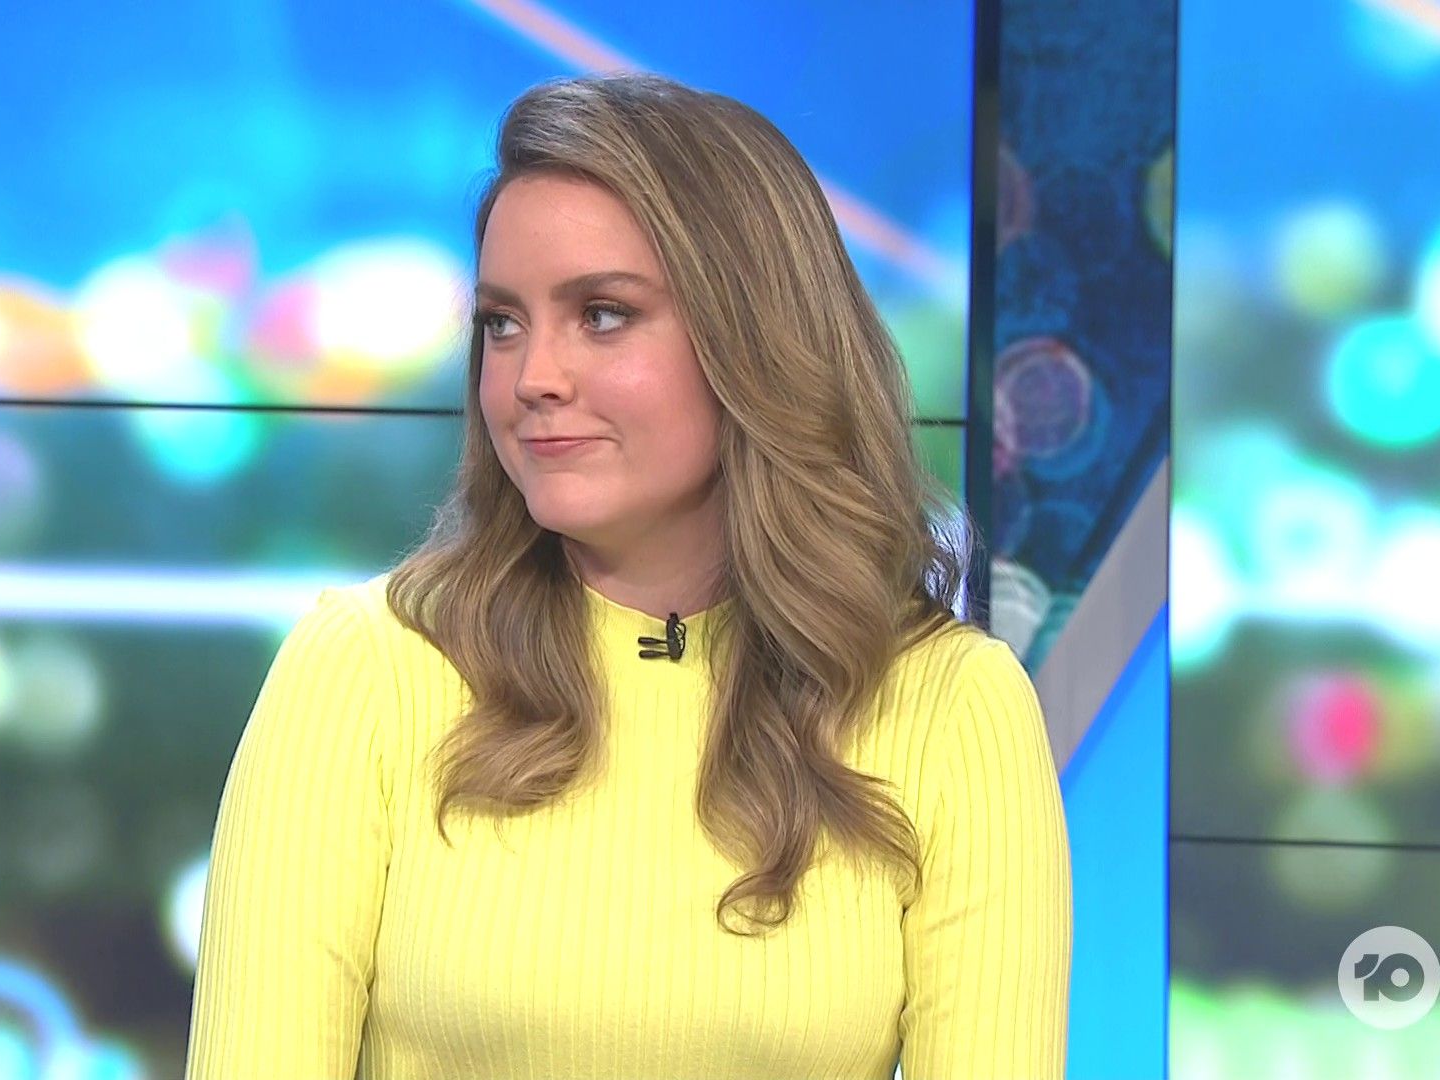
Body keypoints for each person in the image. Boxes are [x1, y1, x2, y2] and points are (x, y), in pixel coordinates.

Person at [185, 72, 1071, 1080]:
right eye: (503, 323)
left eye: (602, 315)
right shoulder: (362, 672)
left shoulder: (951, 707)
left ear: (757, 342)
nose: (533, 379)